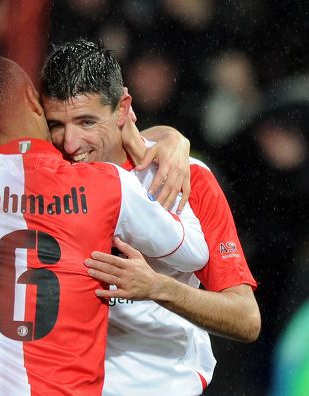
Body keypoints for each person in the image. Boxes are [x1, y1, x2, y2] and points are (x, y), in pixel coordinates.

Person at [0, 55, 209, 395]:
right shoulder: (108, 183)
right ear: (31, 99)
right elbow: (194, 255)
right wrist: (165, 146)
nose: (69, 139)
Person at [40, 39, 260, 395]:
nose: (69, 143)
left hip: (163, 385)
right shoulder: (48, 178)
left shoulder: (190, 179)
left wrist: (158, 288)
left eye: (86, 121)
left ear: (123, 107)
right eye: (56, 124)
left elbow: (246, 319)